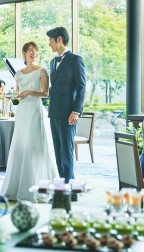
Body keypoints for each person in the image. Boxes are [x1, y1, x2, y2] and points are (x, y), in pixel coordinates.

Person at [0, 41, 58, 202]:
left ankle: (39, 187)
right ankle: (17, 186)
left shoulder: (42, 71)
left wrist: (30, 92)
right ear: (24, 53)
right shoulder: (18, 73)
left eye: (36, 51)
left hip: (36, 111)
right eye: (31, 51)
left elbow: (45, 93)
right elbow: (19, 93)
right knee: (21, 145)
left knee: (36, 146)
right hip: (23, 112)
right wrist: (14, 96)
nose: (34, 54)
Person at [47, 27, 86, 190]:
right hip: (54, 112)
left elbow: (82, 86)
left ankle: (70, 188)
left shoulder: (76, 60)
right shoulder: (52, 61)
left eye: (50, 40)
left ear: (59, 39)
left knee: (66, 152)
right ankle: (62, 185)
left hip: (69, 113)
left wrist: (76, 111)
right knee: (57, 151)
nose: (49, 44)